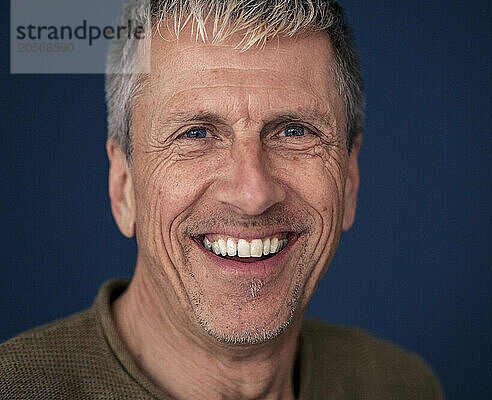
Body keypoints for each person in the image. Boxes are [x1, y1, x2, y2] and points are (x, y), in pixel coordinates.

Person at [1, 0, 443, 398]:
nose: (252, 195)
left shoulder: (399, 385)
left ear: (349, 178)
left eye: (293, 132)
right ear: (123, 186)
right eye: (195, 134)